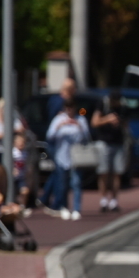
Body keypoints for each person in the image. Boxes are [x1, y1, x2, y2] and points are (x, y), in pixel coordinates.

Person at [40, 80, 89, 220]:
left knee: (76, 182)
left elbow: (86, 136)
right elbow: (50, 136)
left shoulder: (81, 120)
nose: (69, 110)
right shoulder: (59, 117)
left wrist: (78, 126)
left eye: (71, 107)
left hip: (76, 156)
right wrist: (61, 125)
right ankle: (61, 205)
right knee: (62, 182)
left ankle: (76, 208)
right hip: (61, 153)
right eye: (67, 108)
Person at [92, 90, 127, 211]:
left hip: (118, 143)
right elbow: (95, 122)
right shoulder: (103, 104)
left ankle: (114, 200)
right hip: (104, 142)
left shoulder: (123, 107)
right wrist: (108, 119)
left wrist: (120, 122)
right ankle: (103, 199)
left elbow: (127, 124)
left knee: (117, 172)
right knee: (104, 172)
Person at [0, 98, 27, 170]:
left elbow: (21, 129)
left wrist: (12, 130)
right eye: (3, 108)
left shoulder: (13, 119)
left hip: (6, 150)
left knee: (5, 171)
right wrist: (5, 134)